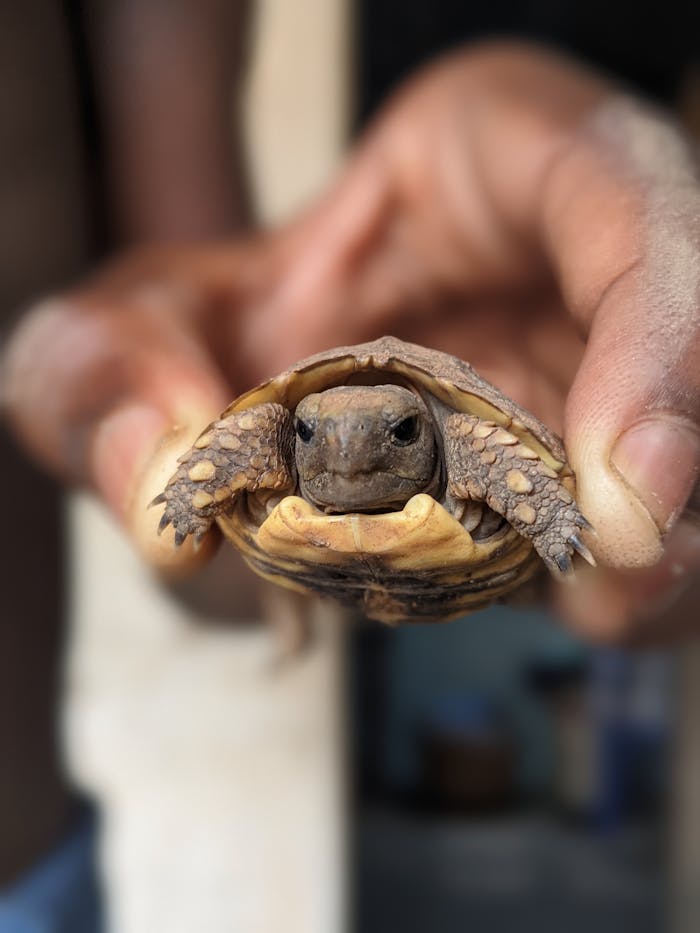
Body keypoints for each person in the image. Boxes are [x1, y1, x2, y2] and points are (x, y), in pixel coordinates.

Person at [4, 43, 698, 643]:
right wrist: (184, 495)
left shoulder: (465, 444)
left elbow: (553, 495)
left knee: (632, 526)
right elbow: (207, 557)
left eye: (398, 431)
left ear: (428, 432)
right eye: (309, 431)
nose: (345, 446)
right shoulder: (270, 434)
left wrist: (557, 516)